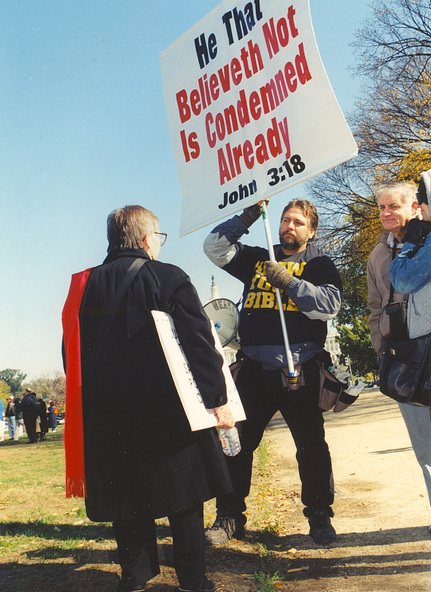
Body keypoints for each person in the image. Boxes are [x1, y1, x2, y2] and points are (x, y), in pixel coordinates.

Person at [62, 205, 235, 592]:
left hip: (108, 413)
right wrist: (217, 400)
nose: (159, 243)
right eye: (159, 235)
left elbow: (70, 351)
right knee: (185, 497)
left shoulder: (83, 285)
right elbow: (199, 344)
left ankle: (136, 578)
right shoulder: (168, 277)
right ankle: (192, 580)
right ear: (145, 239)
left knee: (128, 498)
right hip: (169, 410)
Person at [203, 199, 342, 545]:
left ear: (311, 231)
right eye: (285, 220)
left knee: (312, 447)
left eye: (297, 222)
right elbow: (215, 248)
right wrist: (249, 215)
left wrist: (291, 284)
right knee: (236, 446)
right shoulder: (258, 256)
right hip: (254, 369)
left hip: (301, 370)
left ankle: (319, 516)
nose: (288, 227)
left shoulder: (319, 263)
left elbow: (329, 306)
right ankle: (230, 516)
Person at [367, 180, 431, 522]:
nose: (387, 213)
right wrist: (383, 352)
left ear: (414, 207)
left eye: (393, 206)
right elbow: (375, 307)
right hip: (406, 359)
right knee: (426, 450)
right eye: (381, 208)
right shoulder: (378, 255)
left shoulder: (428, 241)